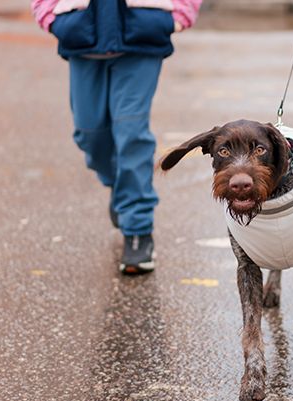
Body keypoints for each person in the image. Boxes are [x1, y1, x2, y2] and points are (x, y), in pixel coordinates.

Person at [31, 0, 202, 274]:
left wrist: (182, 11)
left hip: (142, 30)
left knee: (131, 133)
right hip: (82, 31)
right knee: (89, 134)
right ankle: (122, 187)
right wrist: (48, 13)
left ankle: (138, 230)